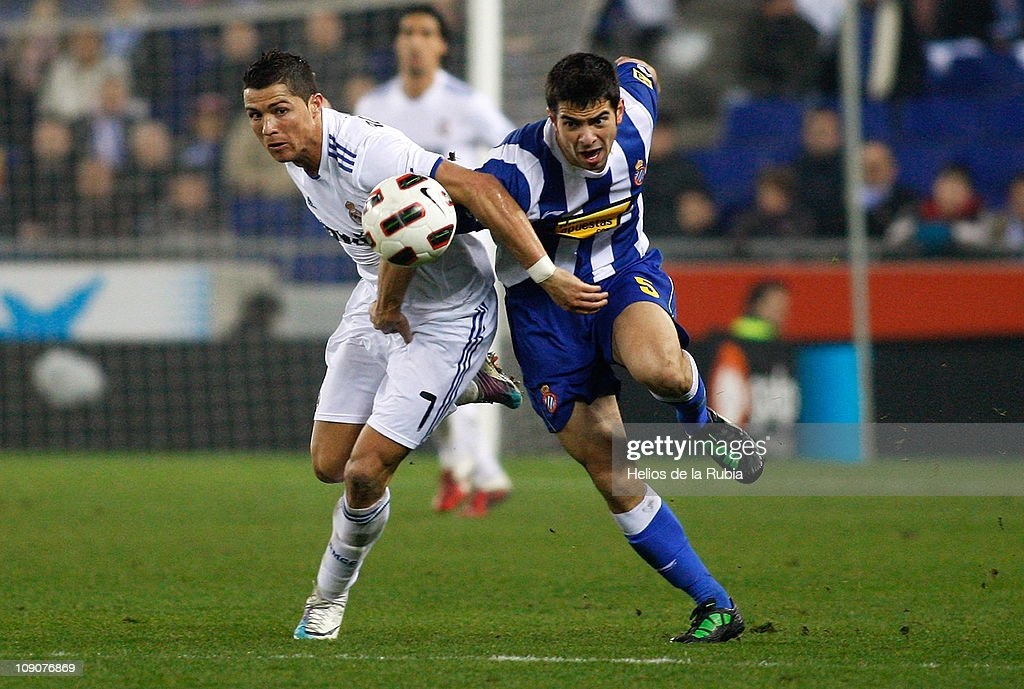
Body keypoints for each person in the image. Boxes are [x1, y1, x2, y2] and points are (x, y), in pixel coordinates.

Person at [240, 50, 604, 641]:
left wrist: (545, 275)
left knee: (363, 473)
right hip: (375, 299)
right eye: (255, 117)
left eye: (280, 111)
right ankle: (469, 385)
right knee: (327, 464)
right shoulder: (293, 156)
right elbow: (389, 238)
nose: (268, 128)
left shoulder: (367, 151)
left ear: (316, 105)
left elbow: (480, 189)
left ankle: (327, 599)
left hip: (449, 316)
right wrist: (381, 302)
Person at [472, 52, 763, 643]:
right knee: (611, 466)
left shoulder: (638, 118)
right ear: (550, 117)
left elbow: (637, 66)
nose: (586, 137)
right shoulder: (514, 167)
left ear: (618, 110)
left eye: (598, 121)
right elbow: (458, 215)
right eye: (570, 123)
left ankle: (702, 425)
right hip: (544, 312)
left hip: (624, 275)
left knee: (663, 371)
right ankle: (714, 604)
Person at [355, 4, 516, 517]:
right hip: (395, 249)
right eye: (407, 32)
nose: (416, 41)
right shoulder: (373, 104)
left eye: (426, 33)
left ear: (443, 46)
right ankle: (475, 469)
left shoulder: (466, 103)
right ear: (397, 43)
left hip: (460, 246)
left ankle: (473, 468)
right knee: (408, 357)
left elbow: (511, 158)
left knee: (430, 354)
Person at [707, 280, 801, 437]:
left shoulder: (781, 343)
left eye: (784, 306)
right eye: (775, 305)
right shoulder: (736, 344)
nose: (782, 311)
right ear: (756, 304)